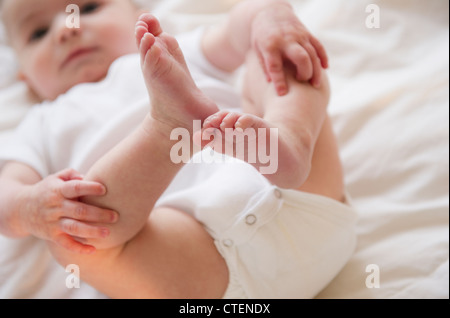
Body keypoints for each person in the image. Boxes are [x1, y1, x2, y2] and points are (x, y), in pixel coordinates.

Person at [0, 0, 356, 298]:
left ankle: (291, 137)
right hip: (192, 261)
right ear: (25, 77)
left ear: (135, 11)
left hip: (296, 188)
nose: (68, 28)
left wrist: (269, 17)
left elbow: (242, 23)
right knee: (69, 233)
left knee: (274, 51)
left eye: (89, 7)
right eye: (38, 33)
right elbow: (6, 194)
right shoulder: (42, 123)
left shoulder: (176, 51)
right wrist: (28, 208)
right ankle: (167, 130)